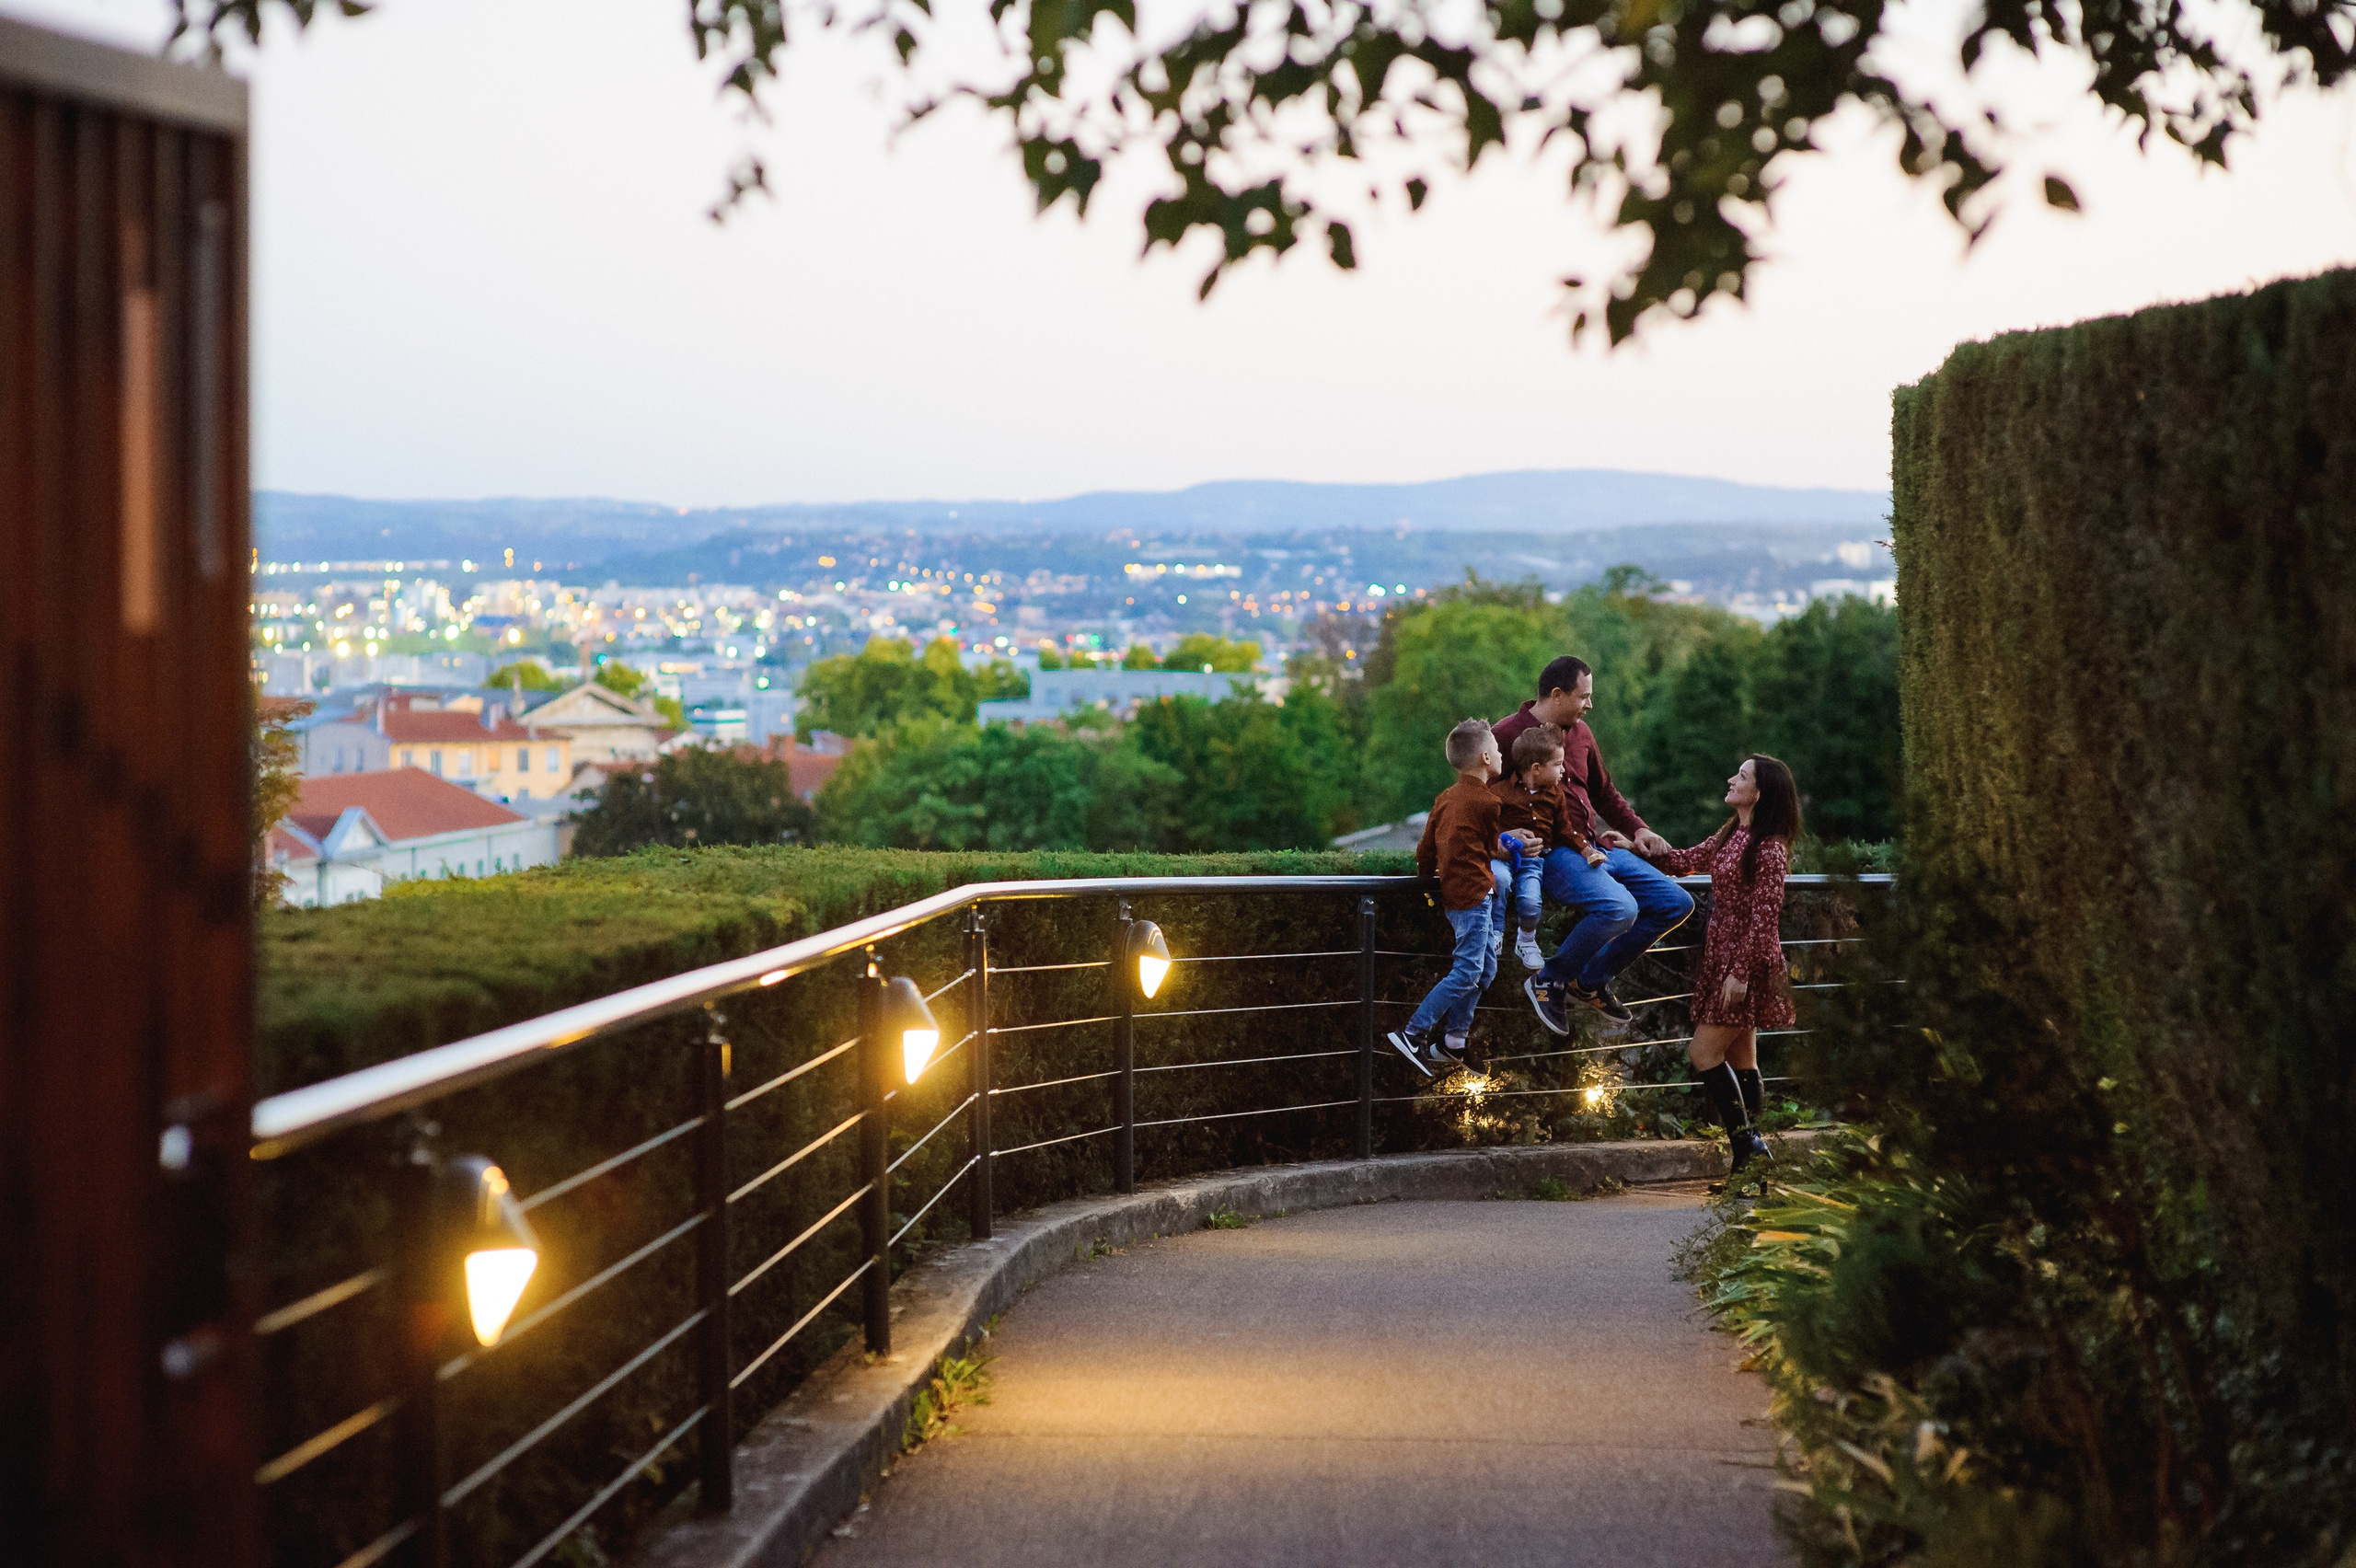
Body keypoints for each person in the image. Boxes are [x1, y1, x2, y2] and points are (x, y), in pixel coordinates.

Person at [1495, 656, 1694, 1032]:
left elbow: (1605, 795)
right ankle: (1548, 978)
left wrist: (1639, 831)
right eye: (1584, 696)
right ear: (1556, 695)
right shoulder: (1507, 735)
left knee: (1676, 903)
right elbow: (1476, 798)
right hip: (1554, 854)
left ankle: (1587, 981)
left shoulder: (1582, 733)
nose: (1590, 705)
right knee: (1620, 908)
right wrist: (1497, 842)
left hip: (1597, 847)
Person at [1626, 755, 1803, 1178]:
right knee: (1743, 1059)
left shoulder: (1770, 848)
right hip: (1723, 958)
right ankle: (1750, 1166)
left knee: (1703, 1051)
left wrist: (1739, 973)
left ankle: (1749, 1151)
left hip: (1745, 964)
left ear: (1759, 793)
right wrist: (1634, 846)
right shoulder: (1733, 834)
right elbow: (1684, 860)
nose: (1730, 779)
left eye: (1740, 776)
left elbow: (1765, 918)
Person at [1390, 718, 1508, 1078]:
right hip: (1474, 894)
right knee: (1469, 969)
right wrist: (1514, 848)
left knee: (1485, 968)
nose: (1502, 754)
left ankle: (1454, 1041)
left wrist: (1427, 885)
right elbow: (1491, 849)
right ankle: (1411, 1032)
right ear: (1486, 757)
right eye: (1499, 750)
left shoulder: (1445, 798)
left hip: (1455, 894)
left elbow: (1425, 848)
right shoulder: (1488, 802)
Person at [1490, 724, 1606, 971]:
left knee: (1531, 901)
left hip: (1534, 861)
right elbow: (1484, 827)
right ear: (1536, 769)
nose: (1563, 771)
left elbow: (1565, 829)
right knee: (1498, 882)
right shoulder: (1499, 793)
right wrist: (1500, 842)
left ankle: (1527, 939)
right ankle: (1495, 933)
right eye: (1558, 765)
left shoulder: (1555, 796)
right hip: (1502, 858)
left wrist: (1587, 851)